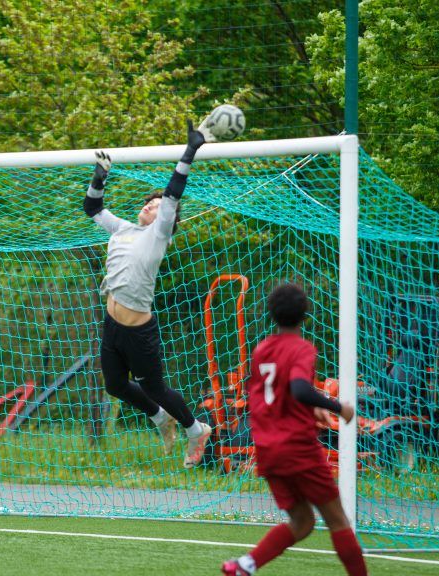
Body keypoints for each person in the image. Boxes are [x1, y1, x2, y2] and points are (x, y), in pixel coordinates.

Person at [83, 119, 214, 468]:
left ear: (166, 219)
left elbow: (173, 193)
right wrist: (100, 176)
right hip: (112, 325)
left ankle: (196, 429)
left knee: (156, 388)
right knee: (114, 386)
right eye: (149, 203)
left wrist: (190, 150)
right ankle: (160, 418)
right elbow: (93, 208)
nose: (150, 206)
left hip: (139, 331)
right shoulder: (122, 229)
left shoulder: (159, 236)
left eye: (156, 206)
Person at [222, 283, 366, 576]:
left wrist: (313, 406)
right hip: (297, 447)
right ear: (305, 315)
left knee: (303, 522)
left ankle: (244, 566)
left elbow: (276, 391)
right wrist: (338, 406)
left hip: (267, 449)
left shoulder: (262, 349)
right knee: (338, 520)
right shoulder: (301, 349)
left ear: (272, 315)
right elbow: (299, 388)